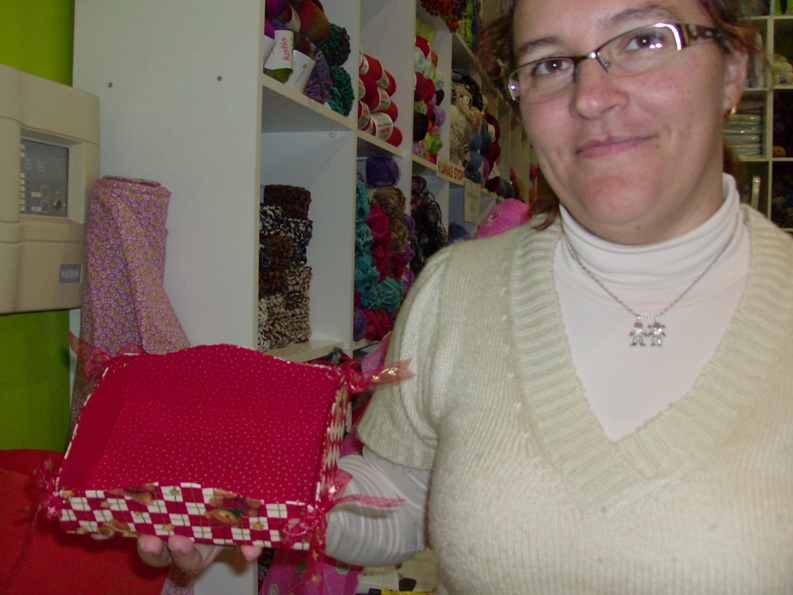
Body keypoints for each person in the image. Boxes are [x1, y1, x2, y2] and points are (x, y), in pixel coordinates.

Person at [139, 0, 793, 591]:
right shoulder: (458, 288)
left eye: (643, 40)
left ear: (732, 69)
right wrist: (252, 492)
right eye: (550, 63)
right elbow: (405, 493)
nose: (591, 96)